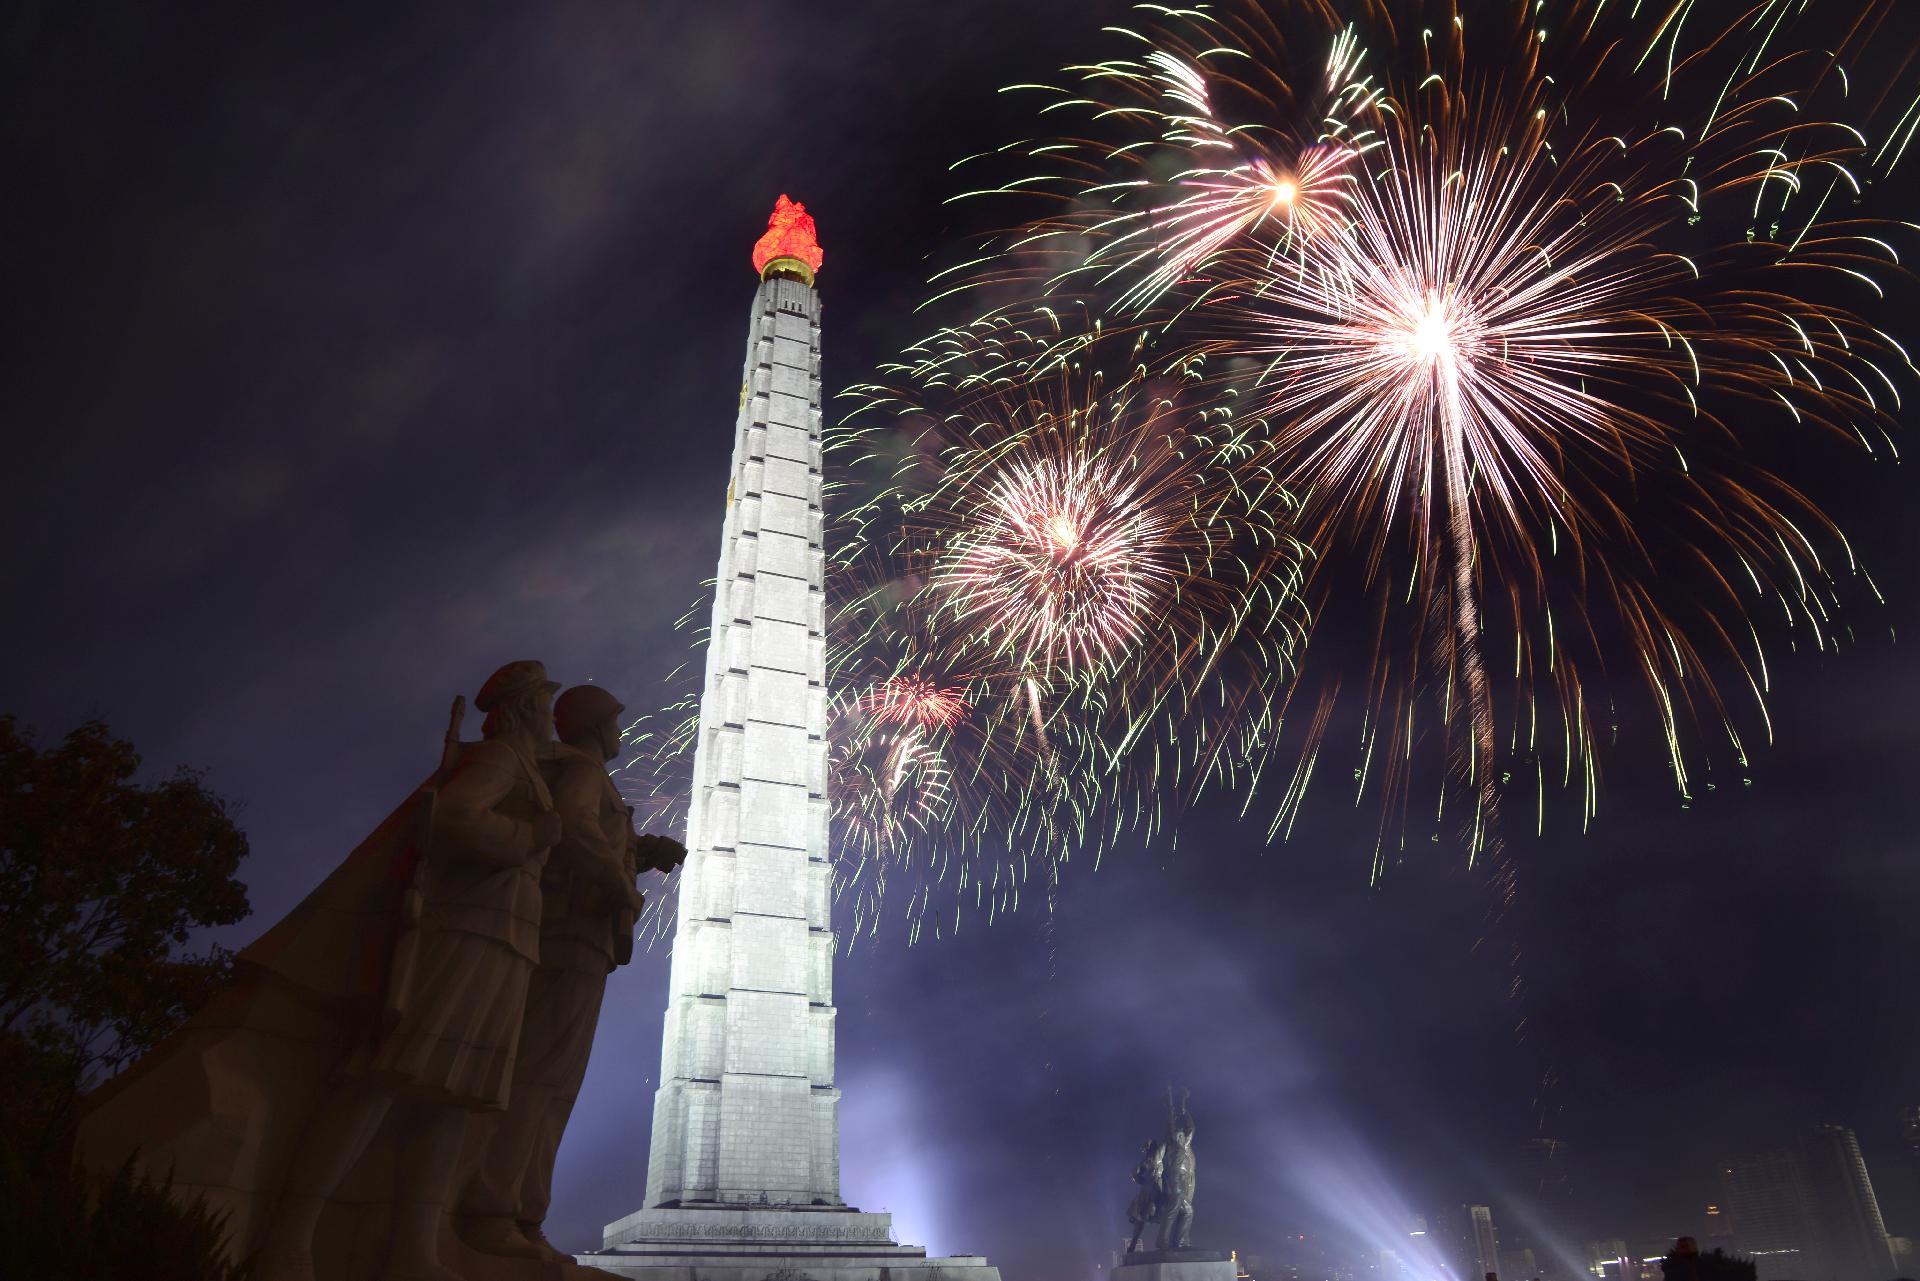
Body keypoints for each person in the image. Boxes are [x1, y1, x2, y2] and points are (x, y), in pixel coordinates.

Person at [256, 660, 561, 1281]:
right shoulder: (500, 757)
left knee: (454, 1096)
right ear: (527, 707)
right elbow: (453, 817)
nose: (553, 717)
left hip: (507, 937)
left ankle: (413, 1248)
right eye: (547, 704)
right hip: (468, 930)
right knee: (389, 1073)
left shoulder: (526, 767)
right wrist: (529, 837)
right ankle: (290, 1236)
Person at [454, 683, 685, 1263]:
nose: (620, 733)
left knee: (550, 1082)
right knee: (539, 1077)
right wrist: (617, 883)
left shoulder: (576, 770)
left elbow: (593, 831)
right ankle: (494, 1212)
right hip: (572, 934)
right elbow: (578, 829)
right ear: (593, 726)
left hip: (577, 937)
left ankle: (520, 1213)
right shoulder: (581, 770)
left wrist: (639, 850)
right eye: (614, 722)